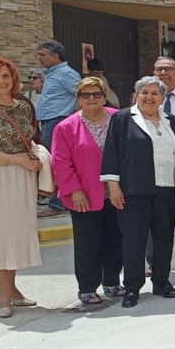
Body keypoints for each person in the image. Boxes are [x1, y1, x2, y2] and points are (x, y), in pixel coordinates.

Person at [100, 75, 175, 308]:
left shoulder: (171, 120)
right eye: (145, 92)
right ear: (136, 95)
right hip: (134, 190)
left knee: (163, 239)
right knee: (134, 240)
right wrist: (113, 185)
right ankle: (132, 287)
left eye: (155, 93)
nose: (149, 97)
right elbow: (111, 152)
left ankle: (162, 281)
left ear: (162, 98)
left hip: (167, 189)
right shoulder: (122, 119)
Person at [0, 59, 43, 317]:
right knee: (2, 233)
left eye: (6, 76)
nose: (1, 81)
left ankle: (12, 289)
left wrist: (34, 158)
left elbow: (30, 140)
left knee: (14, 233)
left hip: (21, 176)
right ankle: (3, 294)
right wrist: (19, 161)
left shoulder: (23, 107)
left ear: (14, 79)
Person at [52, 75, 124, 305]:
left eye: (97, 94)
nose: (91, 98)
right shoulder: (66, 127)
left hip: (117, 193)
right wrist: (74, 190)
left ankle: (112, 281)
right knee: (88, 243)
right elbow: (61, 162)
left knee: (116, 239)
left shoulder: (119, 119)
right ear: (79, 98)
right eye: (86, 95)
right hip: (84, 194)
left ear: (105, 97)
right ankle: (87, 287)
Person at [37, 40, 81, 215]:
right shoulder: (54, 73)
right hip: (50, 122)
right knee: (52, 161)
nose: (39, 58)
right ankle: (57, 200)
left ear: (56, 56)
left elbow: (82, 94)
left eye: (43, 54)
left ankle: (57, 204)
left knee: (56, 162)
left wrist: (74, 119)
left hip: (57, 121)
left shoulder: (66, 73)